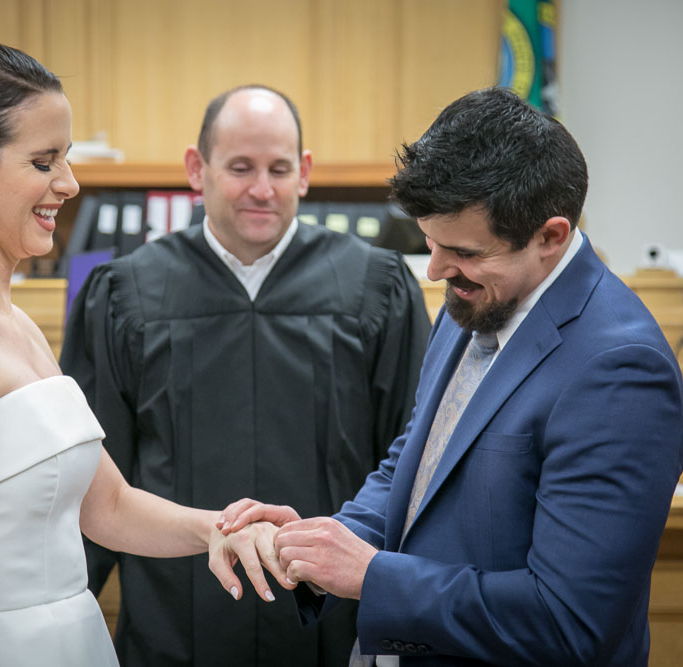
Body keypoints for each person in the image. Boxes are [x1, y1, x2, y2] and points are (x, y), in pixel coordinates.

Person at [222, 87, 683, 666]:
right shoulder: (479, 297)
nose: (438, 270)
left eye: (464, 251)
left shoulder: (620, 372)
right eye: (430, 242)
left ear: (551, 237)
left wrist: (372, 576)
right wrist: (322, 545)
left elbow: (569, 622)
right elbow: (417, 462)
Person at [0, 40, 279, 667]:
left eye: (67, 158)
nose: (69, 183)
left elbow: (104, 505)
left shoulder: (15, 322)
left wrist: (220, 529)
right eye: (43, 161)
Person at [60, 85, 431, 666]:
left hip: (330, 629)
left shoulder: (373, 289)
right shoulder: (127, 294)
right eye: (240, 167)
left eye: (279, 168)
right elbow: (93, 479)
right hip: (173, 627)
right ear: (196, 169)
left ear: (304, 174)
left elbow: (408, 463)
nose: (262, 189)